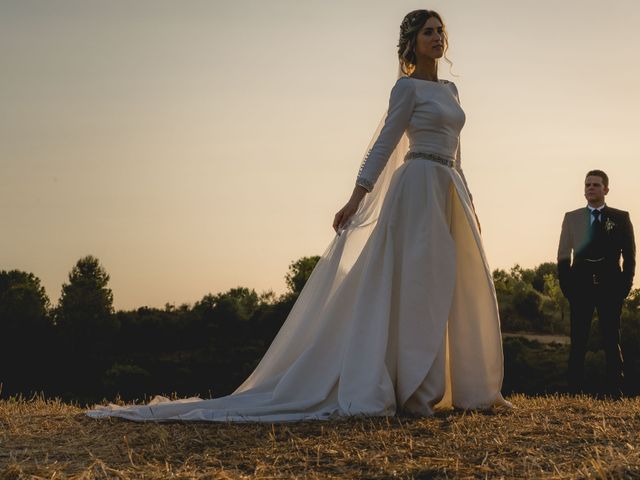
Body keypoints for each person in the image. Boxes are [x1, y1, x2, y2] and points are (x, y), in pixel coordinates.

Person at [87, 10, 510, 422]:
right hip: (416, 188)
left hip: (449, 188)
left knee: (462, 285)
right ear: (413, 44)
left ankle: (477, 390)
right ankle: (417, 391)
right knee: (418, 287)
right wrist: (355, 199)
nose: (437, 37)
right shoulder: (406, 90)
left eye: (440, 31)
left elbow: (457, 153)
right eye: (427, 32)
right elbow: (383, 145)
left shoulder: (452, 92)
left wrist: (468, 200)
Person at [557, 170, 636, 397]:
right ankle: (573, 392)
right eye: (587, 184)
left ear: (606, 189)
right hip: (579, 287)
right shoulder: (571, 217)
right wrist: (567, 287)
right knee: (578, 340)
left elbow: (630, 256)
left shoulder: (620, 218)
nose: (590, 188)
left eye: (596, 185)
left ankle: (615, 391)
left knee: (612, 340)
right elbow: (563, 255)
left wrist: (625, 286)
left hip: (611, 287)